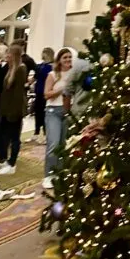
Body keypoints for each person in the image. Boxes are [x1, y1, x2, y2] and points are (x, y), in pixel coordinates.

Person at [0, 44, 27, 175]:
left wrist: (13, 113)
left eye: (9, 54)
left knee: (14, 137)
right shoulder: (10, 69)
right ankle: (2, 159)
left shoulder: (21, 69)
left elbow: (18, 94)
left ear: (14, 55)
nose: (7, 56)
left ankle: (12, 163)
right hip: (5, 109)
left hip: (14, 110)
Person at [43, 48, 73, 191]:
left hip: (68, 111)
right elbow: (46, 94)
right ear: (59, 60)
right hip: (53, 111)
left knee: (64, 144)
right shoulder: (53, 74)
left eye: (69, 57)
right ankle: (48, 175)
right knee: (53, 144)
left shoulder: (75, 74)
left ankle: (60, 173)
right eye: (65, 57)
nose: (68, 60)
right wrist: (63, 89)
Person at [34, 49, 54, 138]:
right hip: (38, 91)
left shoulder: (51, 67)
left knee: (44, 113)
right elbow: (36, 76)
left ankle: (46, 133)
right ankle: (36, 131)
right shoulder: (40, 65)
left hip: (46, 92)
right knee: (37, 111)